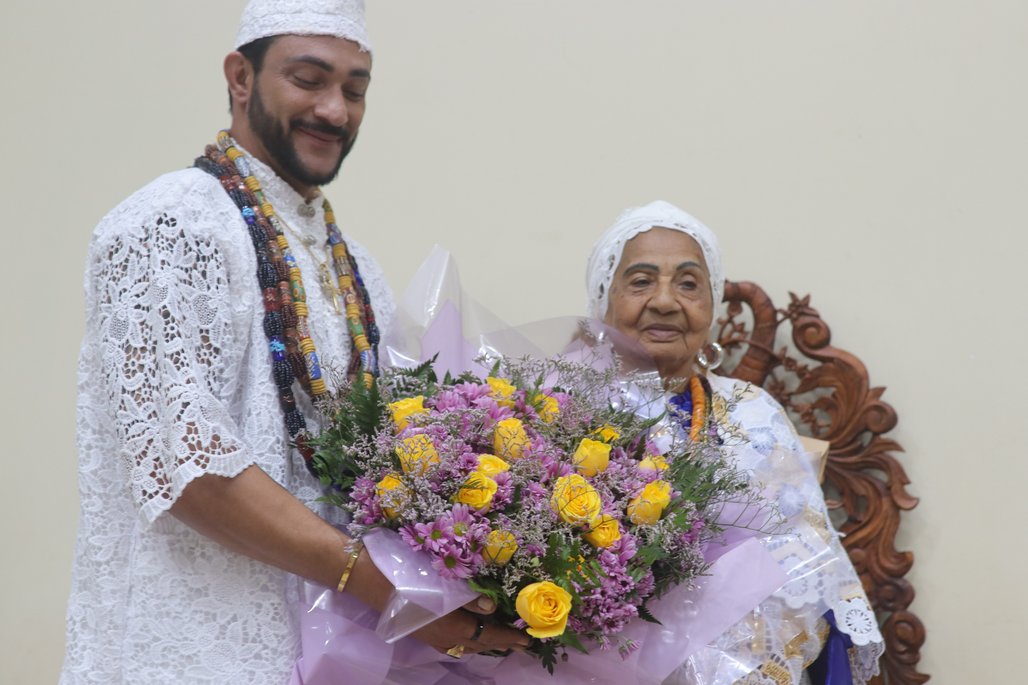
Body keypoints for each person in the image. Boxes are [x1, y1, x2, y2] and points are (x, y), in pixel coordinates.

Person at [60, 2, 527, 683]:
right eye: (308, 79)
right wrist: (385, 586)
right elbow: (189, 467)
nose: (334, 110)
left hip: (333, 659)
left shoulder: (354, 263)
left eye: (356, 89)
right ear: (240, 77)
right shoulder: (169, 223)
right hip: (183, 652)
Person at [586, 201, 885, 684]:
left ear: (712, 305)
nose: (665, 301)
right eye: (640, 281)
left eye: (688, 284)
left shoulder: (753, 408)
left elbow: (809, 567)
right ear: (604, 300)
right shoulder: (556, 410)